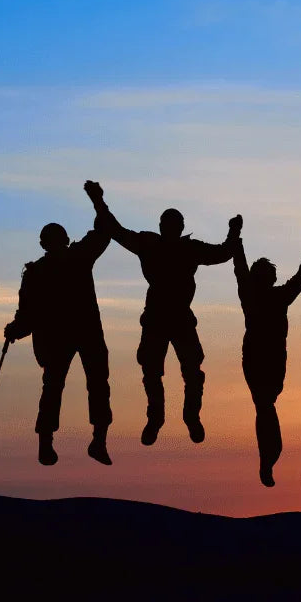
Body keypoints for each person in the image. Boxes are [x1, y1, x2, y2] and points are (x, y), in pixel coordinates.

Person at [85, 181, 241, 445]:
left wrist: (233, 232)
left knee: (189, 371)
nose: (167, 228)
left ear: (177, 227)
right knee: (155, 371)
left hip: (177, 319)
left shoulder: (182, 247)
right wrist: (98, 201)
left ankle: (188, 417)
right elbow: (116, 230)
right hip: (158, 319)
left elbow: (223, 253)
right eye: (166, 224)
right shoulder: (152, 244)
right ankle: (158, 419)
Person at [4, 185, 113, 466]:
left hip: (67, 336)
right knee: (89, 385)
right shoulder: (69, 260)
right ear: (63, 240)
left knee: (60, 387)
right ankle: (91, 440)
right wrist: (98, 200)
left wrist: (16, 329)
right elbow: (104, 231)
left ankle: (59, 443)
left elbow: (25, 316)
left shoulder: (39, 271)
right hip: (77, 334)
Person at [233, 239, 301, 486]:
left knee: (266, 404)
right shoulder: (251, 293)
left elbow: (299, 280)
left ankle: (269, 457)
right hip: (256, 357)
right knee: (264, 404)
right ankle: (269, 458)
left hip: (275, 358)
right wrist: (236, 241)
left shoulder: (279, 296)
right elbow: (240, 268)